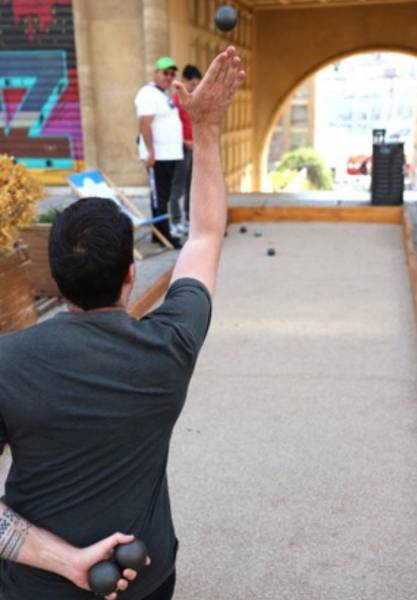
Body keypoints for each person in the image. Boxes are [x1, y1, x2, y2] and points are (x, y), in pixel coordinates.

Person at [0, 46, 245, 600]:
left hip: (33, 589)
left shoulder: (6, 363)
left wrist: (66, 561)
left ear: (56, 280)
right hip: (147, 579)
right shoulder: (171, 343)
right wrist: (204, 126)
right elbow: (205, 235)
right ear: (131, 275)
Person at [135, 56, 183, 249]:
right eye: (165, 72)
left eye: (172, 74)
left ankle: (159, 234)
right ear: (155, 72)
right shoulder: (148, 94)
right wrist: (151, 152)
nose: (169, 77)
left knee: (164, 195)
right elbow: (145, 124)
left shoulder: (162, 94)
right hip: (159, 156)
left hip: (169, 154)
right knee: (159, 197)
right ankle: (164, 235)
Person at [169, 65, 202, 238]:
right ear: (184, 81)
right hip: (179, 149)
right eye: (192, 84)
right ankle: (175, 221)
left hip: (193, 148)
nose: (195, 87)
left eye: (197, 84)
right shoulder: (174, 101)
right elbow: (172, 126)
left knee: (191, 186)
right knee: (178, 187)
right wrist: (185, 141)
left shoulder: (193, 100)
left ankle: (189, 218)